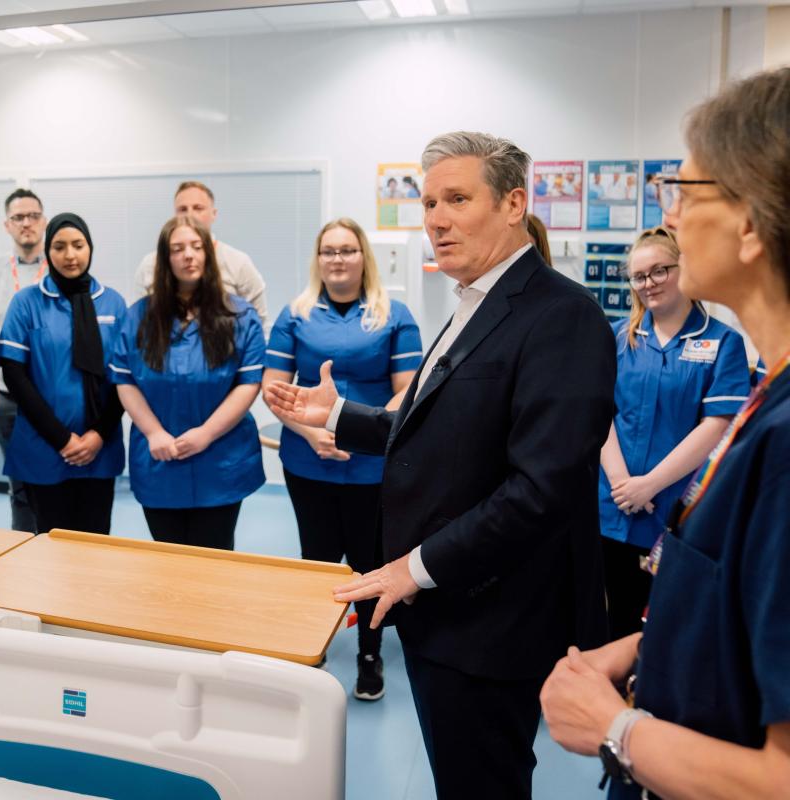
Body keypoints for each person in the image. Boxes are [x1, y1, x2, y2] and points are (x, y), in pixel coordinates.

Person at [265, 132, 616, 799]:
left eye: (457, 198)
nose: (435, 219)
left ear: (514, 203)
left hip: (491, 622)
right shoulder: (473, 303)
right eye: (428, 202)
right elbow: (445, 430)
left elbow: (542, 489)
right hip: (447, 615)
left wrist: (414, 567)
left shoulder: (561, 316)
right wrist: (338, 417)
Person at [542, 66, 790, 800]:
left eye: (684, 192)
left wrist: (613, 729)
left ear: (749, 223)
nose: (671, 219)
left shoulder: (783, 448)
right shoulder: (769, 398)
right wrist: (644, 648)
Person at [262, 218, 421, 700]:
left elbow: (406, 393)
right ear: (318, 259)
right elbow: (275, 389)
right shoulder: (295, 314)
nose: (337, 259)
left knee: (370, 563)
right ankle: (313, 648)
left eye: (347, 250)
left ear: (363, 258)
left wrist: (360, 430)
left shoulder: (393, 314)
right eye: (328, 251)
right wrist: (315, 435)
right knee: (316, 559)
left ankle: (369, 656)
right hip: (310, 460)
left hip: (373, 464)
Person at [597, 227, 749, 639]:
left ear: (684, 269)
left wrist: (649, 485)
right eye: (639, 276)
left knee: (670, 630)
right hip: (613, 507)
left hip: (675, 513)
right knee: (614, 623)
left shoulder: (723, 343)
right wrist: (621, 484)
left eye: (660, 270)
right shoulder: (616, 338)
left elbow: (716, 426)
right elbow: (599, 412)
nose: (649, 283)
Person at [112, 215, 266, 550]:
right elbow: (125, 380)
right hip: (159, 459)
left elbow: (249, 382)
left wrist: (207, 433)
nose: (188, 255)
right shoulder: (138, 317)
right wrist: (153, 432)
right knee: (167, 558)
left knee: (215, 556)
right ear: (164, 260)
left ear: (209, 255)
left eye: (196, 247)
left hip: (221, 460)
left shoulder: (239, 316)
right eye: (178, 249)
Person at [0, 213, 126, 534]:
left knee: (96, 543)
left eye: (78, 245)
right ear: (48, 251)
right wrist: (62, 438)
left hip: (100, 447)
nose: (70, 255)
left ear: (90, 248)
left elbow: (125, 378)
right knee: (49, 547)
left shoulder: (113, 303)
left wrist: (97, 435)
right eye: (59, 246)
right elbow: (14, 375)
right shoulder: (26, 302)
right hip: (45, 447)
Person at [0, 189, 48, 533]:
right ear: (7, 225)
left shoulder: (59, 265)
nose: (27, 223)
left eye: (33, 215)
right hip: (7, 396)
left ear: (43, 220)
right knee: (20, 482)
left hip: (52, 395)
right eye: (19, 217)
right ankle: (24, 554)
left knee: (53, 479)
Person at [133, 181, 268, 326]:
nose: (190, 215)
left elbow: (259, 322)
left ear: (213, 214)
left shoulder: (238, 262)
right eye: (183, 209)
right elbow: (140, 321)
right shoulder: (150, 264)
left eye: (198, 208)